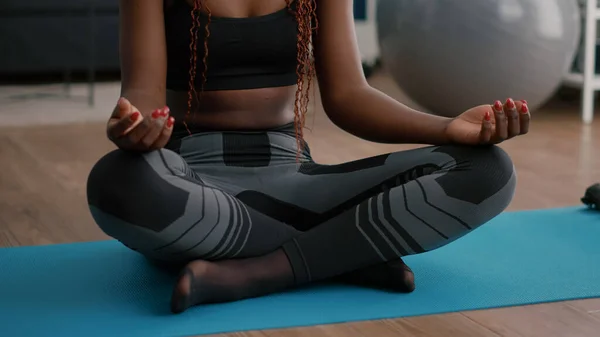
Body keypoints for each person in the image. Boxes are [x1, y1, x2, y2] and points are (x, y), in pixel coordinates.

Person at [86, 0, 529, 314]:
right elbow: (142, 93)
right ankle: (346, 249)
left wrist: (447, 128)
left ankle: (264, 271)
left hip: (296, 182)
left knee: (488, 170)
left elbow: (350, 96)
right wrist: (133, 126)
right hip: (193, 182)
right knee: (116, 183)